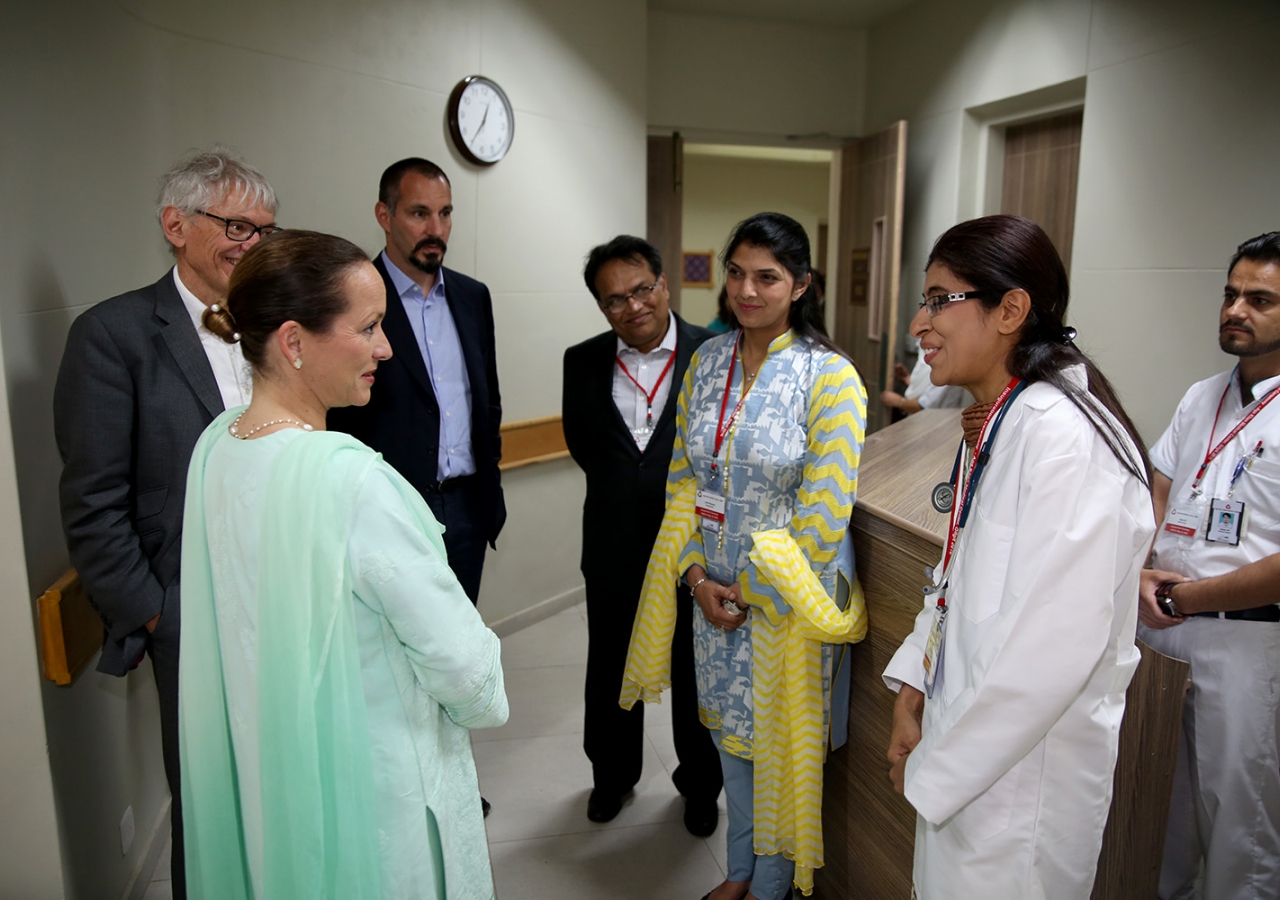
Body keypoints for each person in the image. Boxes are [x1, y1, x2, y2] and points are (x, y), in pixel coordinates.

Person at [180, 230, 508, 898]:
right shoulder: (354, 483)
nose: (386, 348)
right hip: (372, 788)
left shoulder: (218, 446)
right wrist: (484, 693)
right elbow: (466, 670)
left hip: (270, 771)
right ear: (295, 342)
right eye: (369, 328)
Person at [882, 215, 1155, 899]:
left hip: (1019, 789)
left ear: (1011, 309)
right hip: (965, 754)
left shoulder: (1064, 441)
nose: (920, 324)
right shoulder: (1004, 419)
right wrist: (916, 683)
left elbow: (1051, 654)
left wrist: (935, 770)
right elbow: (956, 574)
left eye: (939, 300)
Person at [53, 149, 279, 898]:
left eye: (267, 230)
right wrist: (157, 616)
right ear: (175, 225)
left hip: (292, 597)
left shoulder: (281, 327)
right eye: (237, 226)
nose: (255, 244)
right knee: (213, 806)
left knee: (288, 789)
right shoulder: (112, 335)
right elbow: (93, 502)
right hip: (192, 617)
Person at [622, 212, 869, 900]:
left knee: (784, 751)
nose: (747, 289)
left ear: (801, 286)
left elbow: (823, 518)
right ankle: (739, 869)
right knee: (731, 737)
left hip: (789, 600)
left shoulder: (832, 378)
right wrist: (698, 578)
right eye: (736, 273)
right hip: (714, 592)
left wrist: (750, 592)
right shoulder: (707, 362)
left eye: (767, 277)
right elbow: (682, 483)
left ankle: (772, 886)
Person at [1137, 231, 1280, 900]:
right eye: (1230, 294)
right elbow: (1157, 493)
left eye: (1260, 299)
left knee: (1239, 824)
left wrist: (1188, 598)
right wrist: (1140, 572)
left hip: (1248, 642)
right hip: (1163, 630)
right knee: (1158, 810)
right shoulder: (1202, 396)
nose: (1235, 310)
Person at [563, 235, 723, 833]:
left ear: (664, 284)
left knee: (695, 668)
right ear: (602, 309)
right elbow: (589, 449)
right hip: (610, 545)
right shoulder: (580, 361)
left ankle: (701, 784)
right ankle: (612, 775)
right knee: (609, 667)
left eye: (641, 289)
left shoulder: (714, 354)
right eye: (614, 300)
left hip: (696, 551)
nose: (632, 306)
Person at [329, 157, 504, 605]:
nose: (436, 228)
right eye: (419, 213)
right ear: (384, 216)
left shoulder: (472, 297)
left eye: (445, 213)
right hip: (388, 513)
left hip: (467, 508)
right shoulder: (350, 298)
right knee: (396, 661)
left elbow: (488, 402)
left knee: (460, 655)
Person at [881, 337, 972, 415]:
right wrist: (907, 378)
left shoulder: (947, 365)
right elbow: (928, 389)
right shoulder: (929, 358)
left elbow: (924, 406)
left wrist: (898, 401)